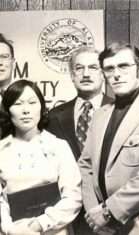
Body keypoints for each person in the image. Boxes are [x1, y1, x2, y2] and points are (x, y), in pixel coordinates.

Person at [78, 42, 139, 235]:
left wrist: (108, 211)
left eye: (123, 66)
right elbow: (85, 165)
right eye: (109, 68)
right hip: (106, 227)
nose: (116, 74)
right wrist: (94, 213)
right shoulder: (100, 115)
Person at [0, 80, 82, 235]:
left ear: (41, 107)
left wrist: (39, 225)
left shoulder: (59, 146)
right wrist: (10, 230)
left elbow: (73, 197)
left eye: (32, 103)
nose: (26, 110)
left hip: (54, 231)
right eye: (18, 104)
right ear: (7, 109)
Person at [47, 47, 113, 235]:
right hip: (69, 216)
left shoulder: (120, 111)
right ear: (71, 74)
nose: (85, 74)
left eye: (93, 67)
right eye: (79, 68)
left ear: (103, 74)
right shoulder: (53, 117)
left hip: (110, 213)